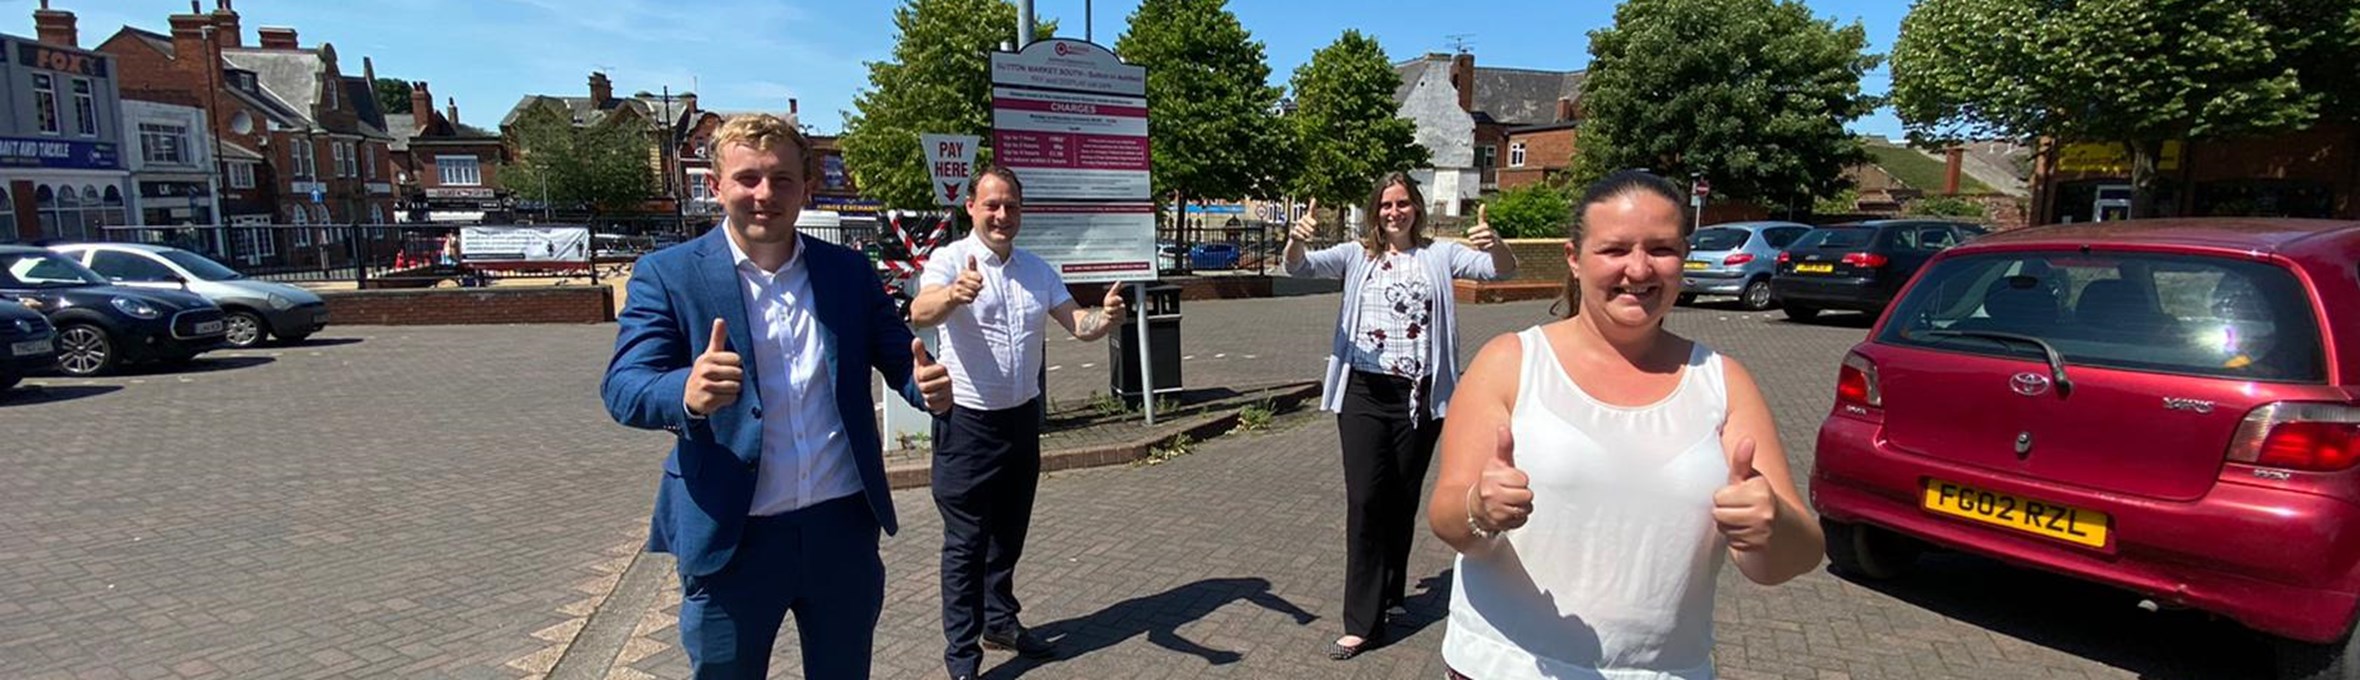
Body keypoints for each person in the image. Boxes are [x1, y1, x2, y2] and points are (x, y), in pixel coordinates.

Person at [1425, 170, 1825, 679]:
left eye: (1661, 249)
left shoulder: (1722, 381)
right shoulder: (1511, 361)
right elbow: (1447, 518)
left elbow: (1792, 557)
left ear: (1684, 255)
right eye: (1614, 250)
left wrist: (1772, 523)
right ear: (1574, 258)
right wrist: (1479, 508)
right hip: (1505, 665)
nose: (1639, 269)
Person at [599, 113, 954, 680]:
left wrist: (924, 385)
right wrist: (685, 392)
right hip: (733, 536)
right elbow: (623, 386)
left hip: (840, 529)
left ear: (805, 188)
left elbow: (896, 352)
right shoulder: (668, 275)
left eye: (782, 179)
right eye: (748, 179)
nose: (765, 194)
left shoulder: (845, 271)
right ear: (716, 185)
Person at [1282, 172, 1518, 660]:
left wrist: (1496, 244)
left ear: (1417, 208)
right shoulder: (1356, 254)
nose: (1394, 212)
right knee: (1367, 500)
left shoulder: (1440, 254)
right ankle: (1361, 622)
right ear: (1375, 211)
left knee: (1402, 498)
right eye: (1386, 205)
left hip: (1420, 396)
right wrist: (1293, 242)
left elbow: (1502, 272)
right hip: (1364, 394)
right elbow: (1299, 270)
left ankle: (1390, 593)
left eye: (1403, 203)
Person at [907, 165, 1130, 680]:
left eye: (1011, 206)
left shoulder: (1036, 269)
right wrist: (953, 295)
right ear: (972, 208)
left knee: (1008, 534)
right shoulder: (948, 260)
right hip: (966, 424)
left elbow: (1079, 325)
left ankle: (1001, 621)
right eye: (992, 205)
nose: (1002, 215)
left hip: (1021, 422)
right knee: (965, 544)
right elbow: (920, 311)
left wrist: (1106, 316)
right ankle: (962, 657)